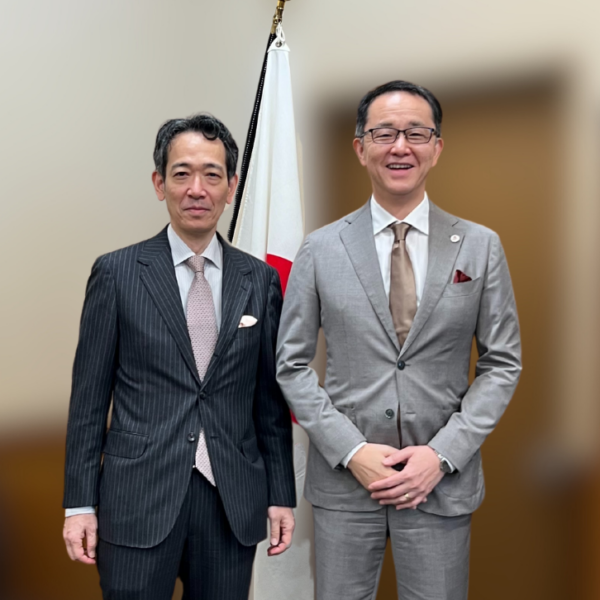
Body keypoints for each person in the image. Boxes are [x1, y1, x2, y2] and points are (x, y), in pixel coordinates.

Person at [276, 80, 521, 600]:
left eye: (416, 133)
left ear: (438, 147)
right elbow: (291, 365)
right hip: (345, 484)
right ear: (360, 147)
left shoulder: (480, 246)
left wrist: (443, 454)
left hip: (440, 484)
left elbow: (502, 364)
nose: (400, 147)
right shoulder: (320, 249)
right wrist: (352, 450)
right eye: (384, 133)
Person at [62, 114, 296, 600]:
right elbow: (88, 402)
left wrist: (280, 495)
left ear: (231, 187)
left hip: (231, 499)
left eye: (212, 175)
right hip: (137, 496)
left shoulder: (259, 280)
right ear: (159, 183)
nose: (196, 189)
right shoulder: (117, 273)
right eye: (182, 173)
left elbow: (269, 403)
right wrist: (78, 504)